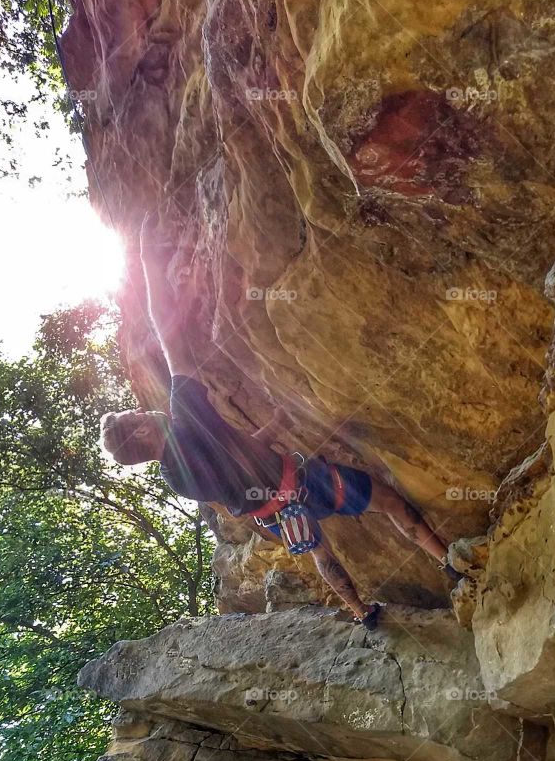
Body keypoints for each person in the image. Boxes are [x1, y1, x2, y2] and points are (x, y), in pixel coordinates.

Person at [100, 213, 458, 627]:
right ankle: (448, 562)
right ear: (142, 430)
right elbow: (168, 335)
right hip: (307, 482)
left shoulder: (176, 478)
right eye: (139, 413)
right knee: (390, 503)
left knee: (321, 554)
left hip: (277, 514)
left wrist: (271, 432)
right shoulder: (187, 416)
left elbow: (236, 483)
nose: (147, 409)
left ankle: (362, 611)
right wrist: (146, 259)